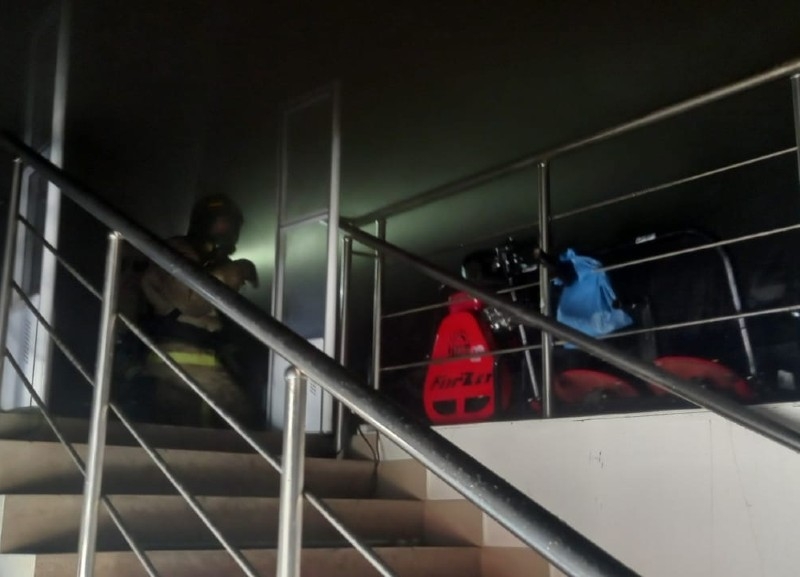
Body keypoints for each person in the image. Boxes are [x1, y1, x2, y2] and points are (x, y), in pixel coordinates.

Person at [140, 194, 259, 427]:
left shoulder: (213, 260)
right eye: (223, 223)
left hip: (198, 354)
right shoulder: (176, 251)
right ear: (204, 222)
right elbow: (191, 301)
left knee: (186, 425)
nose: (229, 231)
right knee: (240, 416)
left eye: (232, 225)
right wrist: (236, 271)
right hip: (180, 353)